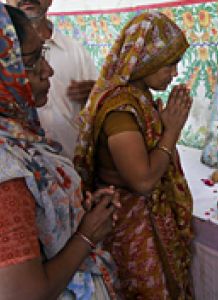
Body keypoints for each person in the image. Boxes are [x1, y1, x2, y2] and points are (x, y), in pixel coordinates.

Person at [0, 5, 120, 299]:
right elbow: (23, 293)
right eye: (31, 60)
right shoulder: (7, 172)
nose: (48, 70)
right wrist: (87, 235)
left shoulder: (21, 136)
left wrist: (74, 209)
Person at [74, 12, 194, 298]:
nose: (175, 73)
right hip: (132, 226)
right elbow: (142, 181)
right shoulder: (121, 110)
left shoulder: (138, 98)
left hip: (148, 219)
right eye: (170, 64)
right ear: (145, 60)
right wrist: (172, 131)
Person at [7, 0, 98, 160]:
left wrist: (95, 95)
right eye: (32, 61)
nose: (48, 72)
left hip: (69, 167)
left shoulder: (75, 51)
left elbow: (98, 107)